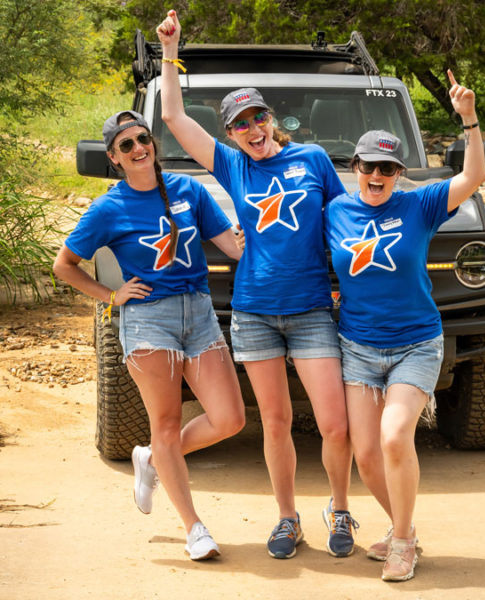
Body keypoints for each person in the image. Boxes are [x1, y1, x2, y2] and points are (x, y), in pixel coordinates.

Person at [156, 10, 357, 560]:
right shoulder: (231, 167)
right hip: (255, 314)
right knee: (275, 421)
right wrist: (172, 51)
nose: (253, 129)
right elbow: (172, 115)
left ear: (274, 118)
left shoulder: (312, 159)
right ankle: (287, 518)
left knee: (334, 425)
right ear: (229, 135)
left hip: (313, 309)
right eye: (240, 124)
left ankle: (340, 508)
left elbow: (346, 221)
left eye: (258, 117)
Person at [53, 110, 246, 561]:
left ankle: (154, 459)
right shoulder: (108, 208)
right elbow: (64, 266)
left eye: (143, 138)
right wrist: (111, 295)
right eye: (127, 145)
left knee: (230, 418)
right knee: (166, 423)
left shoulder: (188, 189)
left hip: (199, 312)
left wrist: (267, 243)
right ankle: (194, 528)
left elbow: (232, 247)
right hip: (148, 320)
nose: (139, 148)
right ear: (114, 158)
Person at [324, 71, 485, 582]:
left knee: (395, 438)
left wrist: (469, 121)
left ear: (398, 173)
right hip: (358, 346)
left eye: (388, 169)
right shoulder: (334, 211)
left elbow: (473, 178)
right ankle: (405, 534)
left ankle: (400, 540)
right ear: (355, 167)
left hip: (416, 343)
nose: (378, 175)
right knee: (366, 454)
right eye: (370, 166)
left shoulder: (418, 203)